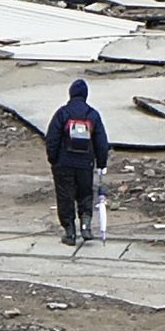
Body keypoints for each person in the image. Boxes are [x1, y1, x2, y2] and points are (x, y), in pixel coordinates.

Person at [43, 77, 108, 245]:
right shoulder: (92, 114)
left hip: (63, 163)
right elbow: (101, 141)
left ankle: (70, 232)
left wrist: (53, 159)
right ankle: (86, 226)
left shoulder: (62, 113)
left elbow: (52, 138)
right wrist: (101, 163)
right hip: (85, 164)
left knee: (65, 196)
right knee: (85, 194)